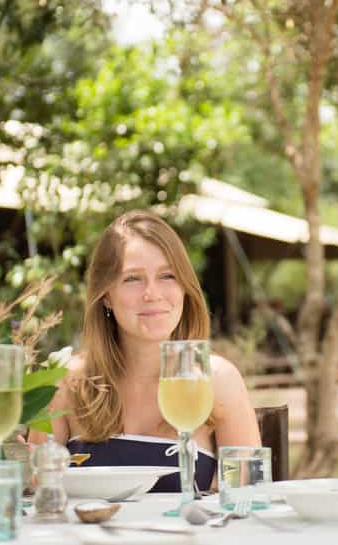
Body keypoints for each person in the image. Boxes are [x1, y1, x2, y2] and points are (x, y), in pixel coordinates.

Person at [29, 210, 260, 492]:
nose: (152, 293)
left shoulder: (217, 379)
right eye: (132, 279)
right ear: (106, 297)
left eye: (167, 276)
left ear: (185, 289)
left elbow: (248, 497)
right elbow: (37, 490)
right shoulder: (67, 380)